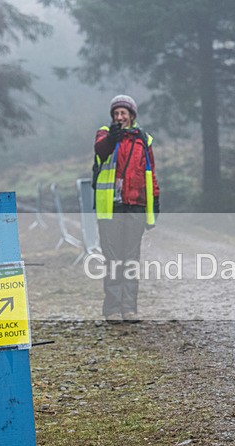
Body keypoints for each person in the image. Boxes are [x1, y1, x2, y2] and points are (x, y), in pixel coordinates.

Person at [93, 94, 160, 323]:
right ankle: (112, 309)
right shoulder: (105, 134)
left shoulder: (144, 139)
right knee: (113, 258)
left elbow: (151, 174)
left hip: (136, 206)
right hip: (110, 208)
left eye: (123, 113)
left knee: (131, 259)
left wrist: (156, 201)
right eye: (116, 113)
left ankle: (129, 308)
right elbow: (100, 151)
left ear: (132, 116)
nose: (119, 117)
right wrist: (113, 138)